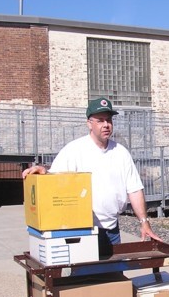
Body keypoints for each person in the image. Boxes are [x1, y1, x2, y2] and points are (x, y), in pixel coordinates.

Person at [22, 97, 160, 255]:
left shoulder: (121, 153)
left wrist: (144, 222)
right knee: (86, 278)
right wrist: (45, 172)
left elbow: (134, 190)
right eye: (100, 120)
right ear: (89, 124)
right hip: (83, 232)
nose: (106, 125)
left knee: (113, 276)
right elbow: (56, 179)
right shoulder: (75, 150)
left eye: (109, 120)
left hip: (113, 231)